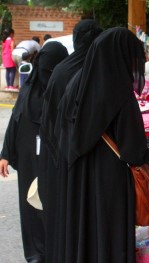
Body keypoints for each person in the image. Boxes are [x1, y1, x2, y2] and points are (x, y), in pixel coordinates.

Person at [54, 27, 149, 263]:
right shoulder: (119, 91)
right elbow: (133, 149)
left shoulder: (80, 81)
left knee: (87, 228)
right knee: (109, 232)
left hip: (81, 172)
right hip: (109, 178)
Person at [39, 19, 102, 263]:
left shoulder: (61, 70)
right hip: (90, 161)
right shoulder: (98, 70)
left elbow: (49, 118)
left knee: (66, 215)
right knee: (86, 216)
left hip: (59, 157)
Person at [0, 41, 68, 263]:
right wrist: (5, 154)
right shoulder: (29, 88)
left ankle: (57, 250)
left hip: (56, 157)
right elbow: (16, 118)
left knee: (54, 206)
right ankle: (36, 255)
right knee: (31, 206)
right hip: (29, 156)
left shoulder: (66, 87)